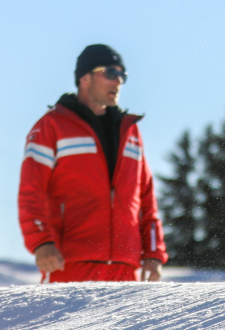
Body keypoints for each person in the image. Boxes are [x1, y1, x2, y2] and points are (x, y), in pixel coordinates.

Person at [18, 44, 167, 282]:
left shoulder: (131, 132)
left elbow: (147, 199)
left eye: (122, 75)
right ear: (84, 78)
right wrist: (41, 242)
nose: (118, 81)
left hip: (125, 272)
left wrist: (154, 253)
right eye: (110, 73)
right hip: (67, 267)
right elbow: (31, 191)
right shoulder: (51, 126)